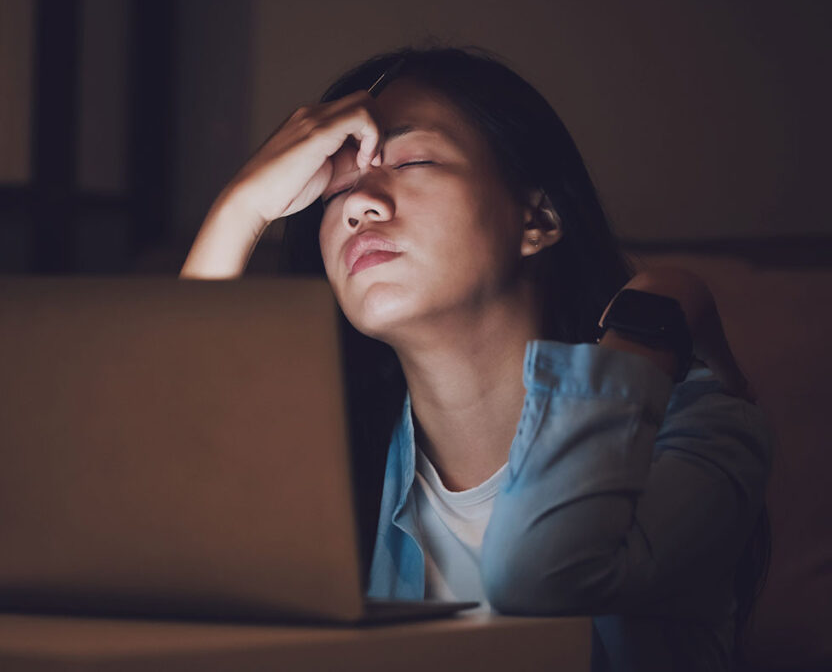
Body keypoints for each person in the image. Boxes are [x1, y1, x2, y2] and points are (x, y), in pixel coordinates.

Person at [180, 47, 772, 672]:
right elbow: (154, 492)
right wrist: (243, 208)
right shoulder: (341, 459)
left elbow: (543, 574)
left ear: (538, 217)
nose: (360, 205)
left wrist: (649, 315)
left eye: (413, 160)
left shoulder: (704, 431)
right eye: (339, 188)